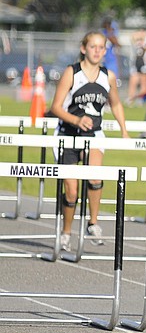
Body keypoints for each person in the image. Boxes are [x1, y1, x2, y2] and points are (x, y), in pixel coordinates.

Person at [50, 31, 129, 252]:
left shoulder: (108, 76)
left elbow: (116, 104)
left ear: (105, 51)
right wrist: (76, 119)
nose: (97, 51)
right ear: (84, 48)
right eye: (92, 47)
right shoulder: (71, 73)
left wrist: (124, 130)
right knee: (72, 191)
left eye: (101, 47)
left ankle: (93, 223)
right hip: (67, 134)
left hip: (93, 134)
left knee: (95, 177)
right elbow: (55, 107)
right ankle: (66, 232)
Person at [126, 28, 146, 106]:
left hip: (143, 64)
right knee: (133, 82)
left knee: (144, 83)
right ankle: (130, 99)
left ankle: (141, 99)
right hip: (135, 63)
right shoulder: (134, 41)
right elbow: (132, 37)